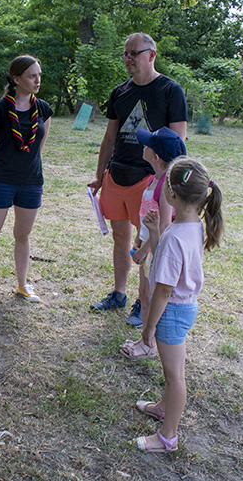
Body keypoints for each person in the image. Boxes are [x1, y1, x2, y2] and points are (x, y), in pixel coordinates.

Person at [88, 33, 187, 313]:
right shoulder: (120, 92)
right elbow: (109, 138)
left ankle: (144, 303)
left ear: (151, 54)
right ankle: (119, 294)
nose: (128, 59)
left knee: (147, 241)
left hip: (149, 179)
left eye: (134, 53)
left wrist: (169, 184)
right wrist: (99, 175)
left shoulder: (170, 90)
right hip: (116, 175)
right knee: (121, 238)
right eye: (125, 54)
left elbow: (178, 143)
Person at [133, 156, 224, 453]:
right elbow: (164, 262)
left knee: (175, 377)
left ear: (170, 194)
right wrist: (157, 234)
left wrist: (148, 328)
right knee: (172, 373)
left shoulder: (178, 235)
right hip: (183, 307)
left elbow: (162, 289)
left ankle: (167, 436)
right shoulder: (191, 227)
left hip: (170, 311)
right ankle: (163, 407)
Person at [0, 55, 54, 309]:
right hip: (1, 181)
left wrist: (23, 168)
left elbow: (40, 145)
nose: (38, 80)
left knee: (23, 235)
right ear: (16, 79)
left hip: (31, 182)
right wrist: (4, 167)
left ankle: (22, 283)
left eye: (39, 75)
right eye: (32, 76)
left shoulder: (44, 109)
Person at [120, 127, 186, 360]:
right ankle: (143, 339)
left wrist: (146, 250)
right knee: (144, 292)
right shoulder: (153, 178)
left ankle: (149, 344)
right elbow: (146, 214)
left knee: (149, 294)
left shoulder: (166, 185)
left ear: (156, 155)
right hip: (147, 246)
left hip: (157, 250)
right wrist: (138, 239)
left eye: (147, 144)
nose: (143, 146)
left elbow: (165, 226)